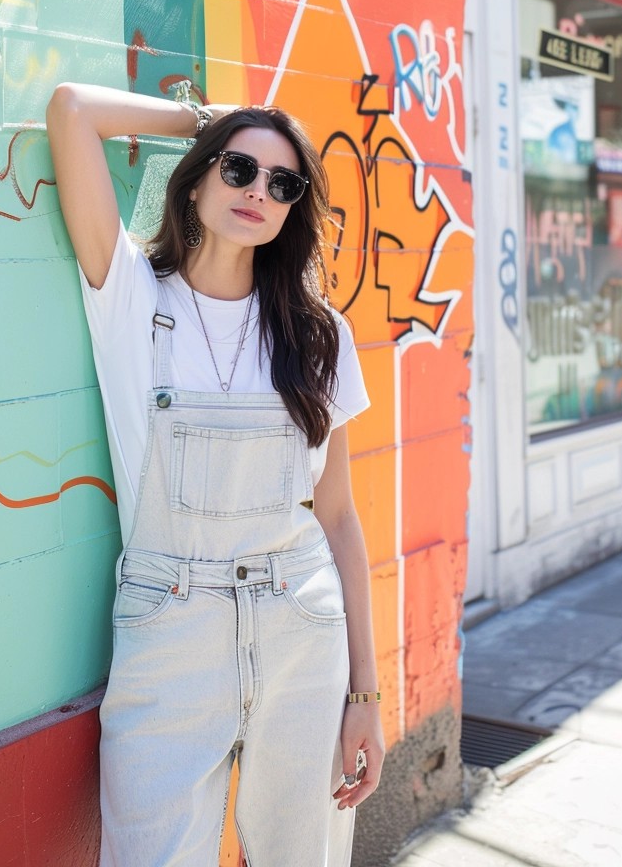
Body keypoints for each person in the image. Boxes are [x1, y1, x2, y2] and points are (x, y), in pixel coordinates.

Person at [46, 81, 385, 867]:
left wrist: (365, 694)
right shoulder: (129, 295)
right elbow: (73, 111)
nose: (256, 191)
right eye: (236, 168)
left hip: (302, 624)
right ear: (196, 177)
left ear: (292, 209)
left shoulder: (320, 335)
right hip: (171, 629)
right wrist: (212, 118)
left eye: (281, 183)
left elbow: (337, 519)